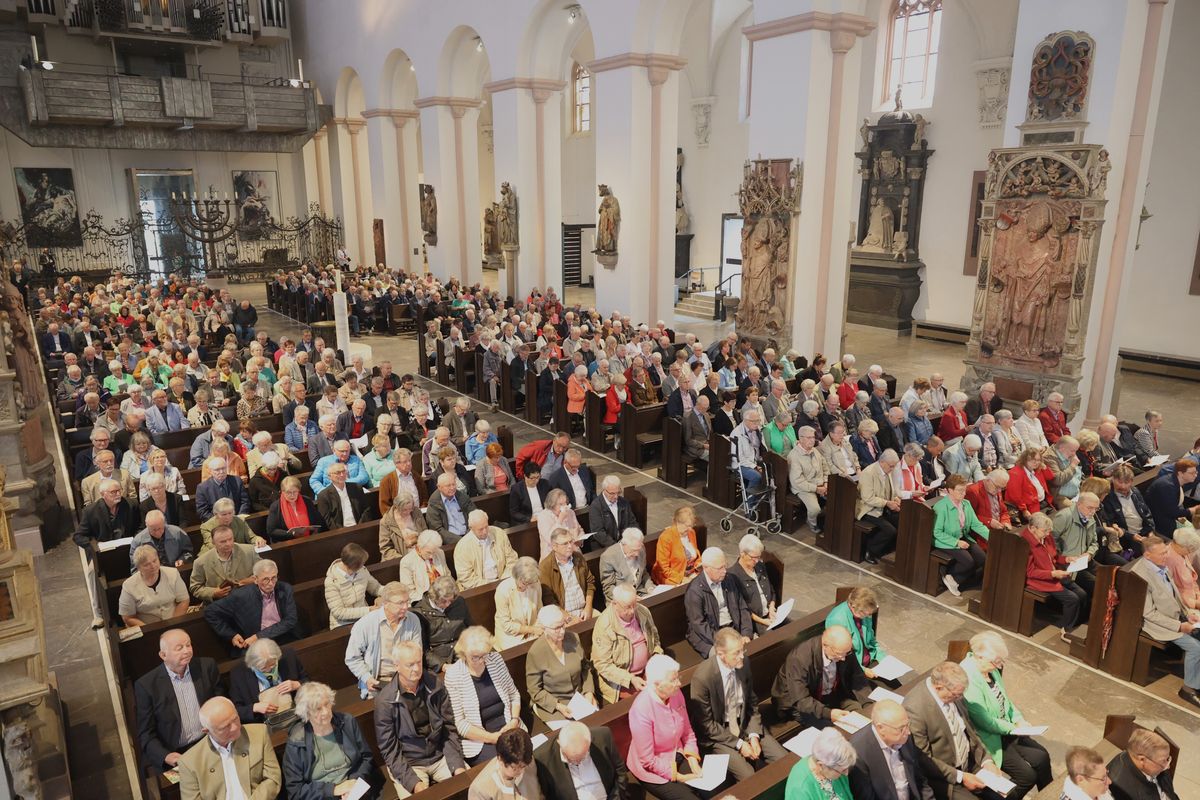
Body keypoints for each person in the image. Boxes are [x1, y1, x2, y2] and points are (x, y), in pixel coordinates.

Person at [687, 628, 787, 781]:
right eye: (736, 653)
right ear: (721, 654)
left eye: (742, 650)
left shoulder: (743, 663)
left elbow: (752, 702)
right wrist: (740, 744)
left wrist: (753, 735)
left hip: (744, 723)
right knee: (749, 777)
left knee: (783, 759)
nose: (742, 656)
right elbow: (707, 725)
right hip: (719, 733)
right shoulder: (702, 678)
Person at [960, 632, 1051, 799]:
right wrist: (1013, 728)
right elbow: (984, 722)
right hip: (988, 737)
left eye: (1001, 661)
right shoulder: (968, 678)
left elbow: (1004, 700)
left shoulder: (990, 668)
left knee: (1042, 756)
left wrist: (1019, 719)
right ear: (979, 656)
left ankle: (1050, 795)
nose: (999, 665)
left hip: (1005, 729)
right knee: (1027, 776)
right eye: (996, 661)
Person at [374, 639, 467, 796]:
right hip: (410, 763)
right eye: (410, 665)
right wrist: (414, 783)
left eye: (418, 662)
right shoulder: (385, 701)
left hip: (440, 754)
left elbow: (449, 728)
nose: (417, 669)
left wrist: (457, 766)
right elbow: (389, 750)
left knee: (469, 787)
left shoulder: (435, 684)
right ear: (397, 666)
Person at [903, 661, 1004, 799]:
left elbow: (971, 732)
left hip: (969, 763)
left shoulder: (954, 692)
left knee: (1004, 795)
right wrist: (961, 777)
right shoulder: (915, 709)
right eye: (956, 695)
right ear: (939, 687)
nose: (960, 698)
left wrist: (987, 761)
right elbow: (923, 759)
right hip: (944, 776)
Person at [134, 629, 223, 773]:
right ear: (163, 655)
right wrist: (165, 755)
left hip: (210, 742)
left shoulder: (207, 666)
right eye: (179, 648)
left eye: (188, 645)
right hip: (176, 752)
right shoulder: (147, 685)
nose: (187, 651)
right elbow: (146, 733)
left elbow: (221, 704)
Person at [1129, 535, 1200, 708]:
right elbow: (1149, 614)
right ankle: (1188, 689)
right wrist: (1179, 626)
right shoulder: (1140, 576)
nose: (1166, 556)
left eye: (1166, 551)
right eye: (1162, 553)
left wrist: (1187, 614)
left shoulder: (1160, 565)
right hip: (1158, 625)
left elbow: (1174, 594)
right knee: (1195, 648)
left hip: (1176, 616)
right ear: (1147, 555)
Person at [283, 681, 381, 799]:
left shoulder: (347, 722)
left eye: (327, 704)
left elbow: (366, 757)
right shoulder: (296, 743)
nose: (326, 712)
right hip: (321, 796)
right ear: (306, 713)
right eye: (318, 709)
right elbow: (295, 791)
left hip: (354, 789)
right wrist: (333, 790)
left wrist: (354, 783)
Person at [626, 653, 703, 800]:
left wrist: (693, 761)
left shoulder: (676, 693)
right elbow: (648, 760)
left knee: (710, 789)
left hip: (676, 752)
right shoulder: (640, 709)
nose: (679, 683)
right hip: (652, 768)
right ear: (657, 684)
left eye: (678, 677)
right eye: (673, 680)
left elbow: (687, 732)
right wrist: (679, 777)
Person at [445, 626, 524, 767]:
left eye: (484, 655)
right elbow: (460, 723)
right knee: (502, 766)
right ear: (464, 654)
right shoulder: (454, 675)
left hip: (509, 726)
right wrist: (491, 738)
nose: (481, 661)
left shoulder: (495, 659)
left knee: (525, 758)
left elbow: (514, 694)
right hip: (480, 740)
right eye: (475, 657)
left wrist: (514, 720)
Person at [177, 696, 281, 800]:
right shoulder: (189, 762)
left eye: (235, 719)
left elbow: (273, 778)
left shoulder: (259, 733)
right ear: (207, 731)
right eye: (225, 727)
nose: (235, 727)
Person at [772, 625, 873, 728]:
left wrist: (869, 704)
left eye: (846, 653)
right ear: (825, 645)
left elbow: (858, 677)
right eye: (839, 654)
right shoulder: (799, 659)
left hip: (832, 694)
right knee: (835, 730)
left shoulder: (844, 650)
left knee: (862, 716)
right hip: (800, 704)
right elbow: (801, 700)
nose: (843, 658)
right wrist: (829, 713)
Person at [203, 559, 300, 655]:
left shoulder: (285, 589)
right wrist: (231, 635)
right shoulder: (241, 595)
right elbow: (210, 612)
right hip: (255, 644)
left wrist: (259, 636)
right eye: (266, 579)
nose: (271, 583)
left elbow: (290, 620)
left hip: (282, 635)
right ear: (255, 579)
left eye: (274, 578)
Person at [848, 700, 937, 800]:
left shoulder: (904, 737)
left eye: (908, 724)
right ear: (881, 728)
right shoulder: (858, 754)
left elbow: (919, 780)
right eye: (901, 728)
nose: (908, 732)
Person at [1023, 512, 1089, 641]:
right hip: (1039, 580)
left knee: (1082, 594)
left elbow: (1054, 557)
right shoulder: (1025, 543)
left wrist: (1067, 559)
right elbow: (1030, 572)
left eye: (1049, 531)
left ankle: (1075, 624)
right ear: (1033, 528)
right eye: (1045, 531)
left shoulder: (1046, 537)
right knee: (1072, 599)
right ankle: (1066, 630)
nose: (1048, 534)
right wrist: (1052, 574)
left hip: (1054, 573)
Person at [525, 604, 597, 721]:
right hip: (554, 705)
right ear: (544, 628)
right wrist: (558, 706)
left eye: (563, 625)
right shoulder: (536, 653)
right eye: (556, 628)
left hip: (580, 698)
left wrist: (589, 692)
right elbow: (535, 690)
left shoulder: (573, 638)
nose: (562, 631)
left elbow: (585, 667)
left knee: (595, 723)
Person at [684, 546, 752, 655]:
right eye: (719, 568)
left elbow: (742, 607)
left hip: (733, 629)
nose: (724, 571)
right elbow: (699, 625)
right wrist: (724, 643)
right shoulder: (694, 591)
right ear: (706, 568)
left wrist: (746, 633)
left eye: (725, 566)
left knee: (753, 649)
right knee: (730, 657)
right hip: (709, 637)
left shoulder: (729, 579)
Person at [534, 721, 627, 800]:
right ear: (559, 743)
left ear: (589, 743)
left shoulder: (603, 737)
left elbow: (620, 771)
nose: (577, 763)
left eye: (583, 757)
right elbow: (548, 796)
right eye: (570, 759)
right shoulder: (542, 759)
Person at [932, 475, 990, 597]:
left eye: (964, 490)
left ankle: (956, 579)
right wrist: (956, 542)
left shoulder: (966, 504)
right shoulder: (941, 507)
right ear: (950, 490)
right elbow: (937, 532)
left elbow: (976, 524)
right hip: (945, 540)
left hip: (962, 537)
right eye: (960, 490)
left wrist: (992, 538)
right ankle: (950, 576)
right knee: (968, 561)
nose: (963, 493)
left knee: (982, 558)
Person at [229, 638, 306, 724]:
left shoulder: (288, 656)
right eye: (263, 668)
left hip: (296, 717)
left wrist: (298, 684)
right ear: (252, 665)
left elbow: (308, 682)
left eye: (272, 665)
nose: (269, 670)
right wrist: (254, 707)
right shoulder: (238, 673)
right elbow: (235, 710)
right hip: (263, 724)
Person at [412, 575, 472, 673]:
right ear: (434, 597)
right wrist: (442, 666)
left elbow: (472, 629)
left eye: (451, 600)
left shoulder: (459, 602)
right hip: (440, 661)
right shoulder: (420, 614)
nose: (448, 604)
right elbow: (424, 651)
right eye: (444, 601)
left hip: (464, 652)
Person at [119, 545, 190, 627]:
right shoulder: (128, 586)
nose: (153, 566)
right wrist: (149, 629)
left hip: (174, 622)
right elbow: (128, 617)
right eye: (147, 565)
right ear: (139, 568)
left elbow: (184, 601)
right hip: (147, 627)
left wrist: (173, 624)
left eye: (154, 561)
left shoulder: (173, 574)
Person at [825, 586, 887, 678]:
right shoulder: (836, 620)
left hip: (870, 660)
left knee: (895, 682)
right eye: (865, 613)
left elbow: (871, 640)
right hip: (853, 669)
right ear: (853, 606)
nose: (867, 616)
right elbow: (841, 656)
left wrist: (883, 658)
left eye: (869, 614)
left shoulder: (864, 613)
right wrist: (863, 670)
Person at [190, 525, 261, 603]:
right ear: (213, 542)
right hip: (219, 603)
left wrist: (250, 580)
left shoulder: (249, 551)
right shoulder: (201, 562)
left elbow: (263, 572)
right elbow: (195, 587)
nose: (228, 544)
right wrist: (213, 593)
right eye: (223, 541)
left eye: (230, 539)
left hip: (248, 598)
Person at [540, 528, 597, 621]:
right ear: (554, 546)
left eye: (571, 541)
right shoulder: (545, 567)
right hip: (561, 615)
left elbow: (590, 582)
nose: (570, 546)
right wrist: (569, 618)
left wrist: (588, 607)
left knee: (606, 624)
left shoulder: (578, 557)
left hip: (584, 610)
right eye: (565, 543)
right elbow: (548, 599)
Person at [855, 450, 902, 564]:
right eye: (891, 466)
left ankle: (887, 550)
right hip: (868, 509)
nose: (892, 469)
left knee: (902, 520)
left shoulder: (887, 470)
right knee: (890, 530)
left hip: (882, 507)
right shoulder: (869, 473)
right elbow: (868, 498)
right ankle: (870, 552)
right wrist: (887, 503)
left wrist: (895, 498)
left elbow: (890, 490)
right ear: (882, 462)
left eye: (894, 466)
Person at [467, 728, 540, 800]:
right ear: (500, 759)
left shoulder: (527, 758)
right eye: (514, 768)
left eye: (523, 766)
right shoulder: (480, 790)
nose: (521, 771)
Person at [1106, 728, 1179, 800]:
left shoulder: (1154, 760)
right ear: (1142, 759)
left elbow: (1170, 792)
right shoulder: (1123, 790)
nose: (1168, 766)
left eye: (1168, 759)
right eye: (1163, 761)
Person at [785, 728, 857, 799]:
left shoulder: (832, 763)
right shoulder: (800, 790)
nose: (846, 773)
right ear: (821, 765)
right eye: (842, 770)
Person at [455, 509, 518, 589]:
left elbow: (512, 560)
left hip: (504, 582)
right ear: (471, 528)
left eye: (486, 527)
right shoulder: (462, 547)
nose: (485, 532)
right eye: (480, 529)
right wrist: (490, 585)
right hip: (480, 588)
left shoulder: (499, 533)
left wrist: (503, 581)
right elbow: (466, 578)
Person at [324, 542, 382, 628]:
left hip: (364, 618)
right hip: (343, 624)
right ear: (354, 565)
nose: (363, 566)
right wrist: (369, 610)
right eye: (362, 563)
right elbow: (339, 613)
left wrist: (388, 594)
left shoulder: (362, 570)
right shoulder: (332, 581)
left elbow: (376, 588)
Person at [73, 478, 141, 552]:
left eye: (119, 490)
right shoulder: (91, 511)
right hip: (104, 551)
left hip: (129, 548)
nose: (118, 494)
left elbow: (140, 526)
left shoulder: (131, 505)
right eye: (113, 492)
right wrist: (95, 546)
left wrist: (136, 540)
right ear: (102, 494)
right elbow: (78, 536)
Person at [1145, 461, 1199, 537]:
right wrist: (1191, 510)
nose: (1195, 475)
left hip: (1170, 517)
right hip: (1162, 524)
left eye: (1196, 472)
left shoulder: (1173, 480)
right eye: (1192, 473)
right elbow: (1172, 512)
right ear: (1180, 473)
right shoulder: (1167, 487)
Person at [316, 461, 375, 530]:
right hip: (338, 532)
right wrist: (341, 531)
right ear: (329, 476)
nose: (342, 475)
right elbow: (327, 519)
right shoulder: (323, 496)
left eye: (343, 471)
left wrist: (360, 527)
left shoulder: (356, 488)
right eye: (338, 473)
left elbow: (366, 509)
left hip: (360, 527)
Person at [129, 510, 193, 570]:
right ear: (146, 525)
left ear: (164, 523)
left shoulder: (177, 533)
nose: (157, 532)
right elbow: (135, 568)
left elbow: (188, 552)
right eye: (153, 530)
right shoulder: (138, 542)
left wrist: (182, 560)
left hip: (176, 570)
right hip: (151, 574)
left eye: (159, 528)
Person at [265, 476, 324, 542]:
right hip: (287, 542)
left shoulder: (307, 501)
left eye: (295, 492)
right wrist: (292, 534)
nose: (292, 495)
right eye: (288, 492)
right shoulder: (275, 506)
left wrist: (315, 532)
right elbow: (271, 530)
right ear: (282, 492)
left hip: (310, 539)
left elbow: (319, 521)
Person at [654, 505, 703, 584]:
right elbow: (663, 568)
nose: (690, 528)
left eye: (691, 525)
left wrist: (699, 565)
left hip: (691, 573)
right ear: (676, 522)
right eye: (687, 526)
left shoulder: (691, 532)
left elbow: (695, 555)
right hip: (673, 578)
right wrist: (682, 579)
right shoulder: (666, 538)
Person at [398, 529, 449, 601]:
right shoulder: (407, 562)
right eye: (428, 552)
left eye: (434, 552)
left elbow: (448, 576)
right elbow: (409, 592)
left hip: (444, 596)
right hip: (423, 601)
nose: (431, 556)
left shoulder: (440, 553)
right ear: (419, 547)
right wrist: (428, 601)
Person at [588, 474, 635, 551]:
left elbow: (632, 522)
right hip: (604, 547)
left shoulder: (623, 502)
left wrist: (632, 538)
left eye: (618, 492)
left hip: (623, 543)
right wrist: (617, 547)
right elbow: (599, 533)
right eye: (612, 493)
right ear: (604, 490)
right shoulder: (595, 506)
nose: (616, 496)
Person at [427, 471, 477, 542]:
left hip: (469, 535)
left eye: (453, 484)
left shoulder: (462, 497)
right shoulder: (434, 503)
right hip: (450, 541)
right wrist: (460, 541)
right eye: (448, 486)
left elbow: (475, 515)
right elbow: (437, 529)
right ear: (439, 487)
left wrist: (469, 535)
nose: (452, 488)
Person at [1007, 448, 1054, 523]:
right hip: (1030, 508)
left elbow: (1050, 477)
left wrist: (1044, 467)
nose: (1036, 462)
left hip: (1044, 503)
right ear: (1025, 459)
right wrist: (1024, 510)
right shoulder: (1015, 473)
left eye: (1038, 460)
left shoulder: (1037, 469)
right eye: (1032, 460)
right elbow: (1015, 496)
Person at [537, 487, 586, 558]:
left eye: (565, 503)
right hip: (552, 556)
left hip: (573, 552)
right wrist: (560, 519)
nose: (565, 506)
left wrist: (580, 540)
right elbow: (550, 539)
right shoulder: (543, 517)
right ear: (552, 505)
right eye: (561, 504)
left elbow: (579, 529)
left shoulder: (570, 512)